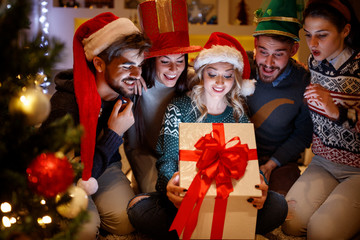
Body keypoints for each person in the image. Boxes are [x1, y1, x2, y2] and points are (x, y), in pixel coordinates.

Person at [126, 32, 288, 239]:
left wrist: (260, 183)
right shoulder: (179, 107)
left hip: (229, 199)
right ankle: (218, 228)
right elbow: (167, 161)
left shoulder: (238, 115)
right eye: (212, 74)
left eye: (228, 75)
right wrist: (171, 185)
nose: (220, 82)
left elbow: (251, 165)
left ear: (236, 79)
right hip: (188, 198)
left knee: (278, 206)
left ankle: (204, 228)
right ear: (202, 74)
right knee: (139, 211)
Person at [42, 12, 150, 239]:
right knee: (85, 229)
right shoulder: (66, 105)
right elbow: (55, 173)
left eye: (140, 64)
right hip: (68, 174)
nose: (137, 74)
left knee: (127, 222)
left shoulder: (126, 90)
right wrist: (114, 133)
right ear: (99, 64)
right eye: (128, 65)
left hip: (106, 165)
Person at [282, 0, 360, 239]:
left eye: (322, 35)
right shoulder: (314, 63)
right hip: (323, 163)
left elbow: (336, 113)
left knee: (321, 232)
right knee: (289, 224)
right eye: (308, 35)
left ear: (345, 31)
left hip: (357, 170)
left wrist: (335, 109)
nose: (313, 44)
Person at [124, 0, 202, 193]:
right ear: (152, 61)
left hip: (182, 156)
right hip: (145, 155)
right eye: (165, 61)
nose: (174, 69)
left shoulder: (193, 81)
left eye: (180, 60)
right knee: (159, 197)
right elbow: (134, 147)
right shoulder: (136, 84)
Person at [247, 0, 313, 196]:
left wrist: (270, 165)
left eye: (278, 54)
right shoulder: (239, 67)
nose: (268, 63)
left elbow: (302, 134)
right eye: (263, 52)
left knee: (281, 210)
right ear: (255, 45)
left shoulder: (304, 81)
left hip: (280, 161)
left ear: (293, 50)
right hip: (236, 156)